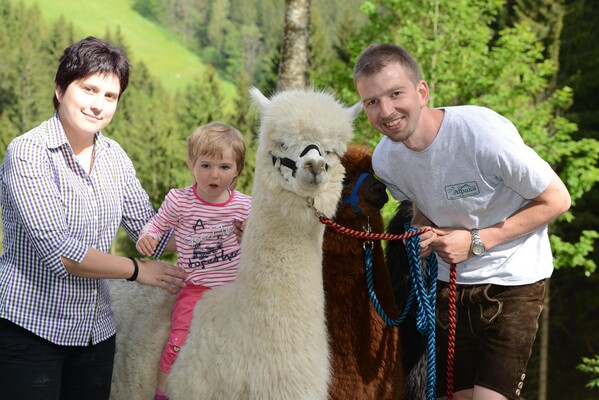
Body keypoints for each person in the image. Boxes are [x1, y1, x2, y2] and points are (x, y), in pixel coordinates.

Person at [353, 43, 571, 400]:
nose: (386, 111)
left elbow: (557, 199)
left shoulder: (481, 134)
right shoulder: (386, 160)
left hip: (512, 283)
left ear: (421, 92)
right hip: (447, 287)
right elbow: (419, 202)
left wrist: (475, 241)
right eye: (372, 102)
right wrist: (423, 230)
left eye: (396, 94)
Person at [0, 36, 187, 400]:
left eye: (110, 96)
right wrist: (136, 269)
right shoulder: (26, 154)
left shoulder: (115, 157)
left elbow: (154, 235)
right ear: (59, 89)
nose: (98, 105)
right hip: (29, 333)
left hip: (95, 337)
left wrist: (217, 222)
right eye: (89, 89)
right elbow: (62, 252)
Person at [135, 122, 252, 400]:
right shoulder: (180, 200)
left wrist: (250, 232)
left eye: (224, 167)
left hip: (235, 289)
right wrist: (147, 236)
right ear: (192, 164)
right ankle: (162, 391)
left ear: (237, 169)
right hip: (195, 287)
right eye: (206, 165)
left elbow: (261, 241)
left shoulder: (245, 205)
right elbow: (156, 224)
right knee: (178, 340)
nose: (214, 175)